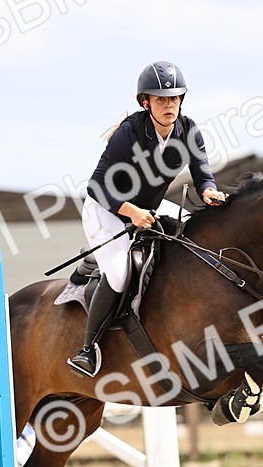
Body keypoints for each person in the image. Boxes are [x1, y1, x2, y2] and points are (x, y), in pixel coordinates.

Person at [68, 60, 228, 378]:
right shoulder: (128, 135)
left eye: (173, 98)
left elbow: (203, 175)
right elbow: (96, 187)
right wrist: (132, 213)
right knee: (118, 273)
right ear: (146, 102)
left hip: (149, 209)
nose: (169, 105)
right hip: (107, 210)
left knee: (193, 239)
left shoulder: (188, 130)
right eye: (160, 99)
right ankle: (87, 349)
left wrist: (210, 192)